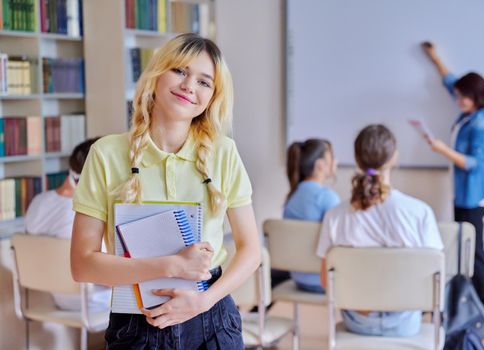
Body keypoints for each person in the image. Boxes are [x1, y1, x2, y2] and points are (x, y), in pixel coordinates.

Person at [70, 33, 260, 349]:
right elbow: (81, 265)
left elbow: (250, 250)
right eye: (180, 71)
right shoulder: (106, 153)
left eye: (204, 82)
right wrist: (171, 265)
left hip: (211, 317)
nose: (189, 86)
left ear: (212, 97)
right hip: (135, 321)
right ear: (157, 73)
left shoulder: (223, 152)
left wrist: (203, 300)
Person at [317, 124, 443, 337]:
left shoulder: (335, 215)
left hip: (357, 321)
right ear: (394, 157)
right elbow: (435, 279)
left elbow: (325, 280)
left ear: (357, 160)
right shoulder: (420, 212)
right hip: (405, 322)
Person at [421, 41, 484, 324]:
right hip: (462, 193)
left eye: (462, 97)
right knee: (463, 248)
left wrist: (441, 149)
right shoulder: (470, 112)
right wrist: (435, 58)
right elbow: (451, 82)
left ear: (475, 97)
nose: (457, 101)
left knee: (474, 250)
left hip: (475, 194)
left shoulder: (483, 123)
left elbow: (474, 163)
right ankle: (469, 305)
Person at [25, 137, 111, 312]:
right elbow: (106, 275)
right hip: (94, 300)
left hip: (58, 296)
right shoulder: (90, 214)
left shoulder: (38, 202)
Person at [281, 139, 340, 293]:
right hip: (324, 281)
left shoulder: (291, 198)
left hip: (298, 280)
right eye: (332, 158)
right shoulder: (328, 198)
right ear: (320, 165)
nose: (336, 162)